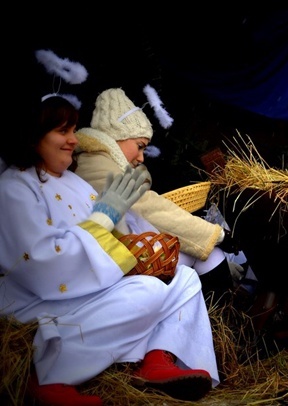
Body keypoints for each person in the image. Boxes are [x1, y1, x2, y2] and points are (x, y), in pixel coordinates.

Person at [0, 95, 219, 405]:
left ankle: (157, 358)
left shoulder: (76, 183)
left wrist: (138, 252)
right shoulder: (13, 187)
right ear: (33, 134)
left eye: (73, 130)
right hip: (40, 300)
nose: (73, 140)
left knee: (184, 279)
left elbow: (111, 239)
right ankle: (49, 374)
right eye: (63, 131)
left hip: (90, 287)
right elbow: (40, 262)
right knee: (146, 293)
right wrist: (104, 218)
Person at [73, 88, 247, 302]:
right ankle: (224, 320)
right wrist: (216, 235)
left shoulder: (100, 162)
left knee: (208, 256)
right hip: (121, 267)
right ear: (117, 136)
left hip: (126, 257)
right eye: (139, 146)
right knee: (209, 254)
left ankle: (221, 319)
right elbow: (149, 207)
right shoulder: (99, 166)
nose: (141, 157)